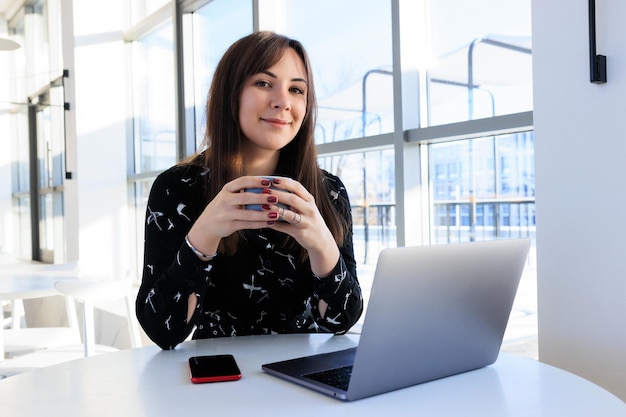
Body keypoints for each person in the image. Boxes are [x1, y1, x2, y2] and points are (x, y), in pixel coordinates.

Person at [136, 31, 363, 350]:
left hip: (304, 376)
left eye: (296, 89)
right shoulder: (176, 188)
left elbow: (341, 321)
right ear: (230, 93)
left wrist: (321, 244)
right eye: (263, 83)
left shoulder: (329, 191)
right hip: (219, 379)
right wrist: (203, 235)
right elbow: (163, 331)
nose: (283, 102)